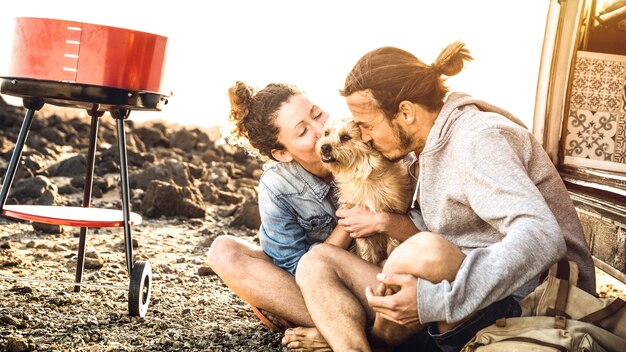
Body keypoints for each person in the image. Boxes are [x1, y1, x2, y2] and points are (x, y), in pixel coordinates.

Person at [294, 41, 597, 352]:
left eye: (367, 126)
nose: (366, 137)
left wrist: (436, 301)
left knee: (425, 250)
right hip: (462, 300)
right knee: (315, 262)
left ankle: (374, 340)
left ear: (406, 112)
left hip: (527, 306)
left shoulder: (477, 139)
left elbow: (542, 235)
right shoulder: (422, 153)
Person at [206, 81, 419, 350]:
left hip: (376, 274)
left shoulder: (371, 147)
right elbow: (295, 271)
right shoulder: (277, 185)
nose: (321, 133)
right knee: (222, 251)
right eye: (303, 131)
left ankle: (338, 333)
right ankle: (342, 328)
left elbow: (422, 231)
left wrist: (380, 219)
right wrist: (347, 223)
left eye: (317, 114)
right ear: (282, 153)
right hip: (320, 285)